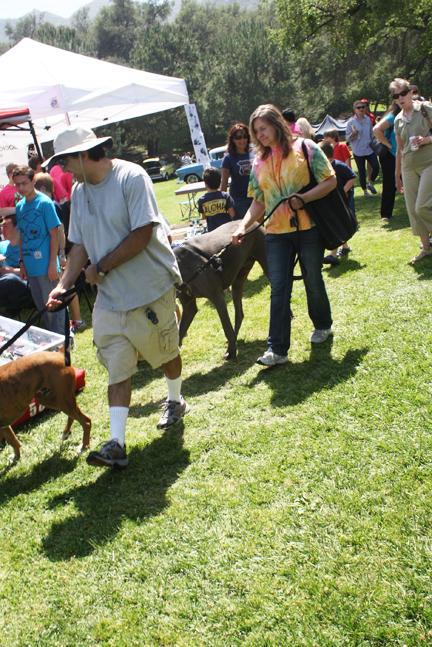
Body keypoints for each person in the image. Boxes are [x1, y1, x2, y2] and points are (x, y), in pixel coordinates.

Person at [45, 125, 189, 470]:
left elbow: (142, 234)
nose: (63, 169)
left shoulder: (131, 176)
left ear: (84, 155)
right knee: (117, 366)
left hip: (150, 287)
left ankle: (175, 400)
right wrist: (64, 284)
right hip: (111, 299)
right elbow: (79, 245)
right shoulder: (79, 192)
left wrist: (102, 267)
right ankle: (117, 443)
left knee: (166, 353)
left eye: (65, 161)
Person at [231, 104, 336, 367]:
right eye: (256, 131)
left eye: (263, 129)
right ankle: (277, 349)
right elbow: (259, 200)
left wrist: (305, 198)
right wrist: (243, 226)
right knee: (278, 288)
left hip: (308, 227)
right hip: (276, 233)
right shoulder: (258, 160)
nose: (259, 135)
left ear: (276, 124)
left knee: (312, 279)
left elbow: (330, 180)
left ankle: (323, 324)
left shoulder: (306, 147)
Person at [12, 165, 65, 335]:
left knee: (55, 307)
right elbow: (22, 236)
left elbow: (55, 233)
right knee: (43, 308)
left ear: (33, 180)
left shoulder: (45, 203)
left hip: (46, 267)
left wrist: (53, 264)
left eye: (24, 183)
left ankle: (64, 340)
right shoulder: (19, 207)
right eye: (17, 184)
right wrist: (22, 263)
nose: (21, 188)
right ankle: (54, 340)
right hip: (30, 267)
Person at [34, 172, 86, 331]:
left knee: (66, 286)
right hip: (51, 253)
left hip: (59, 253)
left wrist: (61, 254)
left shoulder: (51, 205)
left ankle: (77, 320)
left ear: (42, 188)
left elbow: (60, 230)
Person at [391, 78, 432, 262]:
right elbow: (399, 150)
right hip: (408, 166)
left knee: (422, 206)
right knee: (413, 210)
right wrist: (397, 175)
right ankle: (426, 248)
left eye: (402, 93)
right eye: (395, 96)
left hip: (429, 163)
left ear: (410, 93)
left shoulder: (425, 109)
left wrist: (426, 140)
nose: (400, 98)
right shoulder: (398, 119)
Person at [319, 142, 357, 265]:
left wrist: (343, 190)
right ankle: (345, 247)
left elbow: (352, 177)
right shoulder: (323, 168)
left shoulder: (339, 165)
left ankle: (333, 255)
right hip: (330, 202)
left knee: (335, 224)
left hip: (341, 202)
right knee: (338, 224)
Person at [372, 101, 401, 222]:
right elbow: (376, 129)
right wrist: (388, 145)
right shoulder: (393, 116)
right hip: (390, 156)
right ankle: (386, 214)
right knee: (389, 183)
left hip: (403, 154)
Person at [220, 123, 255, 221]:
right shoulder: (228, 157)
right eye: (238, 137)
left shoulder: (255, 153)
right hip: (238, 200)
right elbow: (224, 182)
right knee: (243, 229)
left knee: (258, 228)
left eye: (245, 136)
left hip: (256, 198)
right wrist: (223, 203)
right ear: (233, 139)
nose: (242, 140)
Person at [346, 100, 380, 198]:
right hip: (358, 150)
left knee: (376, 167)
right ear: (355, 109)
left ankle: (371, 183)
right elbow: (347, 138)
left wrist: (375, 143)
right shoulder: (351, 122)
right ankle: (365, 192)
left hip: (369, 148)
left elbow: (371, 133)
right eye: (359, 107)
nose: (361, 109)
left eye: (363, 107)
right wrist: (353, 134)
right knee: (362, 172)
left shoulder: (368, 120)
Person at [0, 214, 29, 308]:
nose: (2, 230)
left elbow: (36, 271)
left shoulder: (27, 246)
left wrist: (13, 271)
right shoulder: (2, 245)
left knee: (10, 279)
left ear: (17, 227)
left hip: (21, 286)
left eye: (5, 226)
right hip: (3, 291)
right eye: (2, 227)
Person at [198, 167, 235, 232]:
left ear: (205, 184)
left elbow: (204, 217)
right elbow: (232, 214)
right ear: (220, 182)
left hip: (213, 232)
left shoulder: (202, 200)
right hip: (227, 230)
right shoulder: (226, 196)